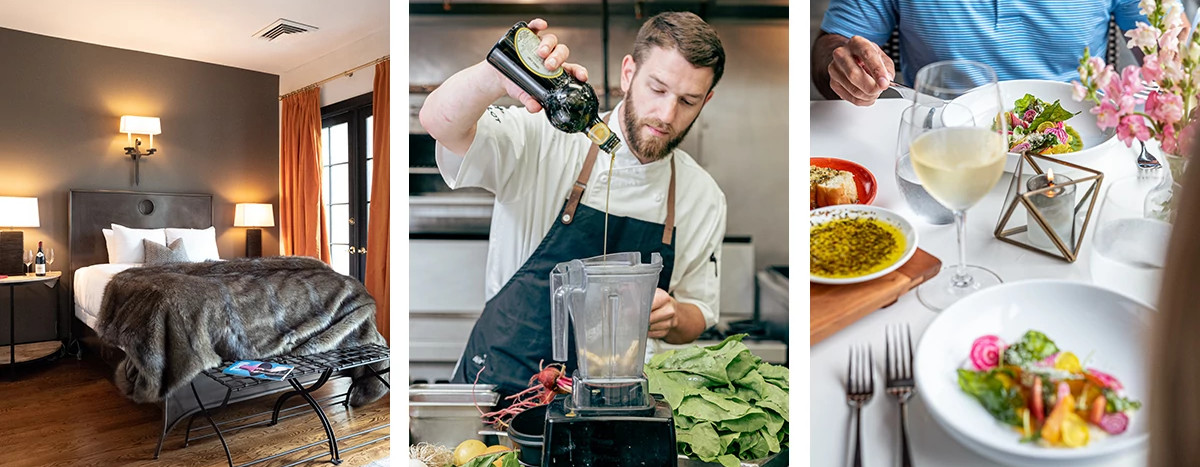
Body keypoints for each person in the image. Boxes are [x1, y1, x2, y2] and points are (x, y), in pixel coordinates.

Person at [420, 13, 727, 397]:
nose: (667, 115)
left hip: (615, 408)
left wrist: (674, 316)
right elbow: (438, 123)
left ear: (707, 100)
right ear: (628, 73)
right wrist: (496, 74)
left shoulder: (703, 196)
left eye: (688, 100)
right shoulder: (547, 138)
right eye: (658, 89)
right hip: (502, 392)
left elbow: (698, 311)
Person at [813, 0, 1148, 106]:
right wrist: (842, 68)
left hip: (1084, 142)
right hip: (943, 144)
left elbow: (1172, 53)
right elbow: (830, 48)